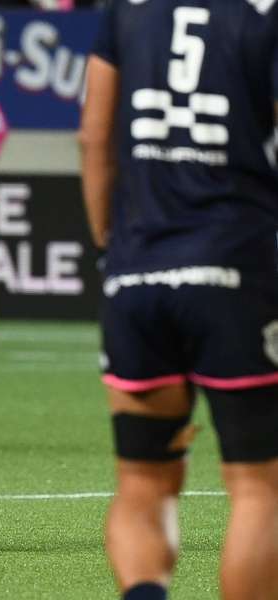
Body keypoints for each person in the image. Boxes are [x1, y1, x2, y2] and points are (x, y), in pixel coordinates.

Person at [80, 2, 278, 599]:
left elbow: (94, 137)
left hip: (136, 275)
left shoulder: (127, 9)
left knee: (142, 482)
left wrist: (109, 248)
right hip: (235, 271)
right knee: (258, 487)